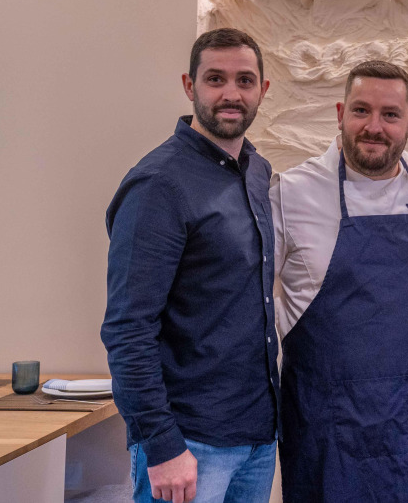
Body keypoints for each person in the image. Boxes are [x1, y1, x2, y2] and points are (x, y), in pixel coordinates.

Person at [271, 60, 408, 502]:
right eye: (361, 110)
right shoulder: (290, 192)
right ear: (340, 113)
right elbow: (247, 299)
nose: (374, 127)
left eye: (390, 114)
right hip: (328, 434)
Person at [102, 28, 279, 503]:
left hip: (256, 438)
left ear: (262, 90)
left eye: (244, 81)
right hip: (188, 444)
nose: (231, 93)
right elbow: (127, 328)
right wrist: (162, 445)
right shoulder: (158, 185)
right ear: (189, 86)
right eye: (215, 79)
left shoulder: (257, 172)